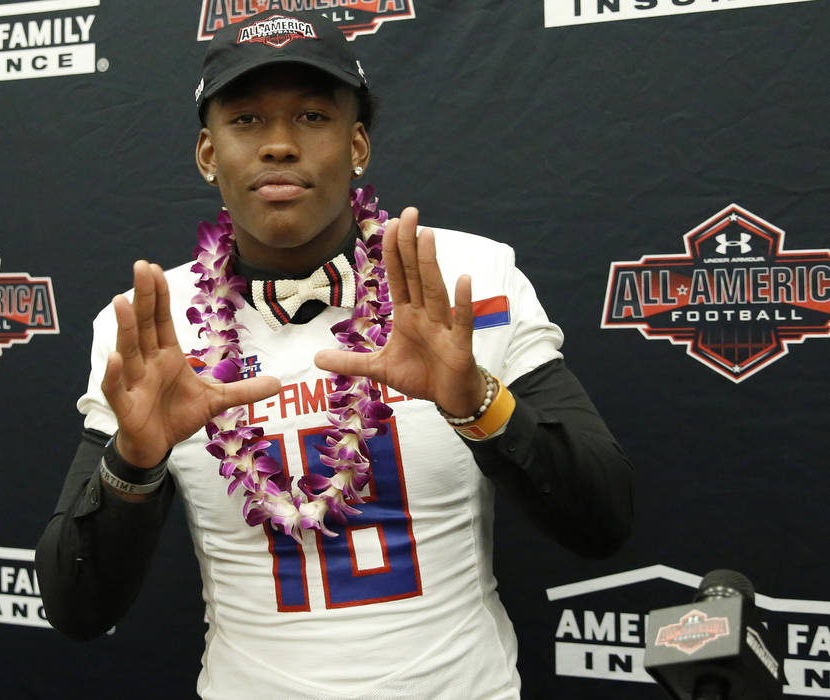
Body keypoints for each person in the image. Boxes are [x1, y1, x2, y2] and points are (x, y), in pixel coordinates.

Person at [36, 10, 632, 699]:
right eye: (247, 120)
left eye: (313, 117)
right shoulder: (151, 323)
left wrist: (481, 406)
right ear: (208, 154)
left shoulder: (465, 281)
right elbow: (76, 610)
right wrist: (132, 465)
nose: (280, 145)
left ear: (358, 146)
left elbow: (604, 521)